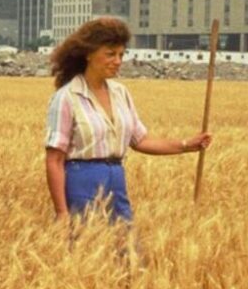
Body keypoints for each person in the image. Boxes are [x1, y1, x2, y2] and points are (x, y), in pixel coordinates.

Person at [44, 17, 211, 224]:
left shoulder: (120, 93)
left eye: (121, 55)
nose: (118, 61)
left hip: (117, 180)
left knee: (126, 248)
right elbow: (54, 160)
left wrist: (186, 145)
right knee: (84, 246)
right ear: (88, 54)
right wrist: (61, 211)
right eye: (110, 54)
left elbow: (141, 141)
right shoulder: (67, 97)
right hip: (81, 180)